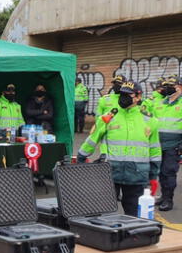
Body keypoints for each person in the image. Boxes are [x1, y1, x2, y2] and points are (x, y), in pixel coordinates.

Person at [77, 81, 161, 216]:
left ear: (139, 97)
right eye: (122, 94)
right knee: (104, 212)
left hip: (137, 175)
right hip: (111, 172)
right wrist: (82, 155)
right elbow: (93, 138)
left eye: (128, 95)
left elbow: (155, 150)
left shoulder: (150, 120)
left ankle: (132, 237)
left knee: (133, 214)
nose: (123, 97)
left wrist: (153, 175)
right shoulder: (109, 117)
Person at [152, 76, 182, 211]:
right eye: (167, 85)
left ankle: (168, 200)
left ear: (180, 87)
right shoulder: (161, 103)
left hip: (173, 146)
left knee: (168, 172)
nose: (168, 88)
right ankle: (163, 197)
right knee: (161, 173)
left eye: (172, 85)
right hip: (158, 145)